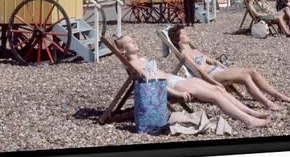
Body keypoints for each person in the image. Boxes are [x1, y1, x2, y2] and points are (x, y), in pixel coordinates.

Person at [115, 36, 271, 129]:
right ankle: (249, 120)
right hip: (172, 86)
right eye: (128, 41)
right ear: (122, 51)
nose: (133, 41)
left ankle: (252, 113)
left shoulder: (142, 59)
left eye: (132, 38)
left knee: (220, 90)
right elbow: (152, 82)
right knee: (215, 96)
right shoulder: (134, 65)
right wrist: (177, 94)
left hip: (177, 80)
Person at [167, 25, 290, 111]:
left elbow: (213, 61)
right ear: (178, 40)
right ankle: (268, 103)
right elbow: (199, 72)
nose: (187, 34)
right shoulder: (185, 55)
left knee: (251, 71)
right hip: (212, 75)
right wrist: (215, 83)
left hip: (218, 70)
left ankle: (277, 95)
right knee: (245, 77)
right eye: (184, 34)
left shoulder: (194, 50)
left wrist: (226, 67)